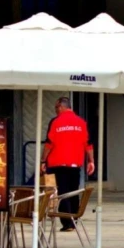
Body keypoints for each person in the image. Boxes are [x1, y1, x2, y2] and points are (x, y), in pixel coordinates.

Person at [42, 97, 95, 231]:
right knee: (73, 192)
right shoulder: (81, 122)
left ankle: (67, 223)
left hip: (57, 163)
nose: (55, 110)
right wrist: (91, 161)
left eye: (56, 108)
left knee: (62, 192)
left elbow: (49, 143)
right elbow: (88, 144)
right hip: (75, 163)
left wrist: (43, 160)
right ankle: (74, 219)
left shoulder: (55, 122)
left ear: (61, 107)